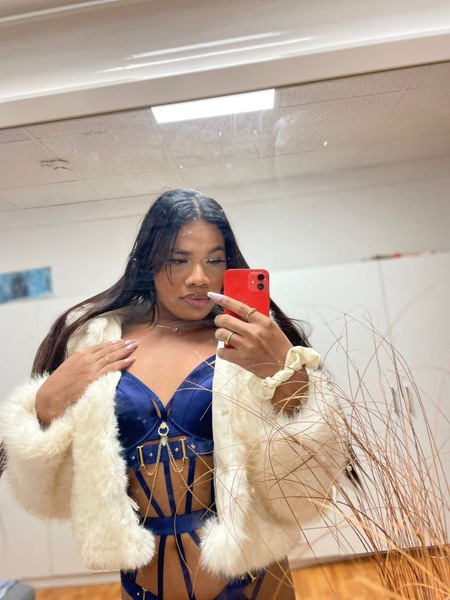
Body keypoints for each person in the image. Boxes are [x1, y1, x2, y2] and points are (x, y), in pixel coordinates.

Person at [0, 189, 349, 600]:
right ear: (148, 262)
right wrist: (46, 407)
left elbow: (308, 488)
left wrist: (286, 373)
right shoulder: (97, 341)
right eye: (179, 260)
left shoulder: (251, 341)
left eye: (214, 260)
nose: (199, 276)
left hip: (258, 582)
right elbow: (49, 498)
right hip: (144, 587)